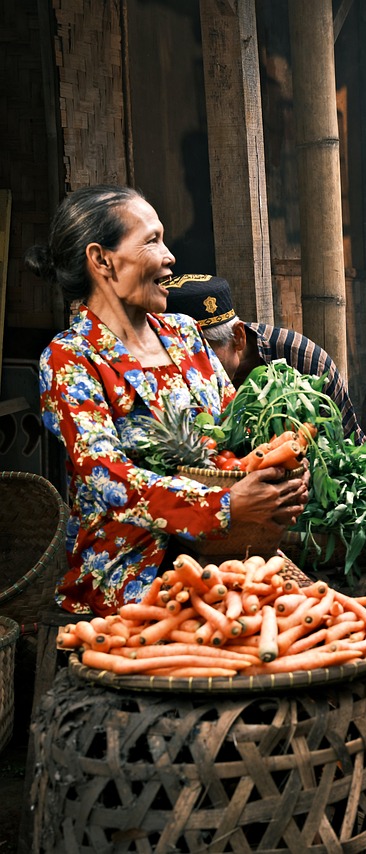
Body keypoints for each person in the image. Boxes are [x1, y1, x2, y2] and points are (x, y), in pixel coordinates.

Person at [28, 186, 307, 616]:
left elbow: (236, 429)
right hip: (131, 574)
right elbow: (108, 479)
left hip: (228, 553)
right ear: (102, 260)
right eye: (152, 240)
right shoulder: (70, 358)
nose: (169, 256)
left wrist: (276, 461)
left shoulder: (184, 333)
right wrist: (225, 506)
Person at [164, 274, 366, 443]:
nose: (190, 368)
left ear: (238, 337)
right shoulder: (165, 377)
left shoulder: (301, 361)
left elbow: (348, 442)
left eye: (203, 352)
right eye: (179, 356)